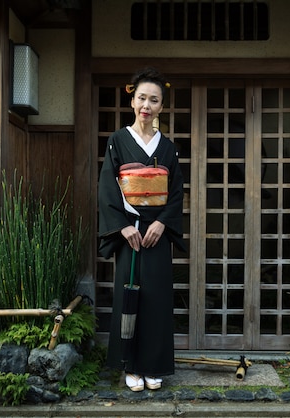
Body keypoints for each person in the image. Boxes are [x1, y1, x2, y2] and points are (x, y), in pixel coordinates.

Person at [97, 67, 185, 392]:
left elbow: (175, 192)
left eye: (154, 100)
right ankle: (131, 366)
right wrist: (121, 226)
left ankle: (154, 366)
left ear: (162, 106)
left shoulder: (169, 148)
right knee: (129, 297)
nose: (147, 105)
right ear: (132, 99)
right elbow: (107, 187)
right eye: (142, 98)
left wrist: (162, 222)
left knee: (158, 299)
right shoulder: (117, 141)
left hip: (157, 235)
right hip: (130, 234)